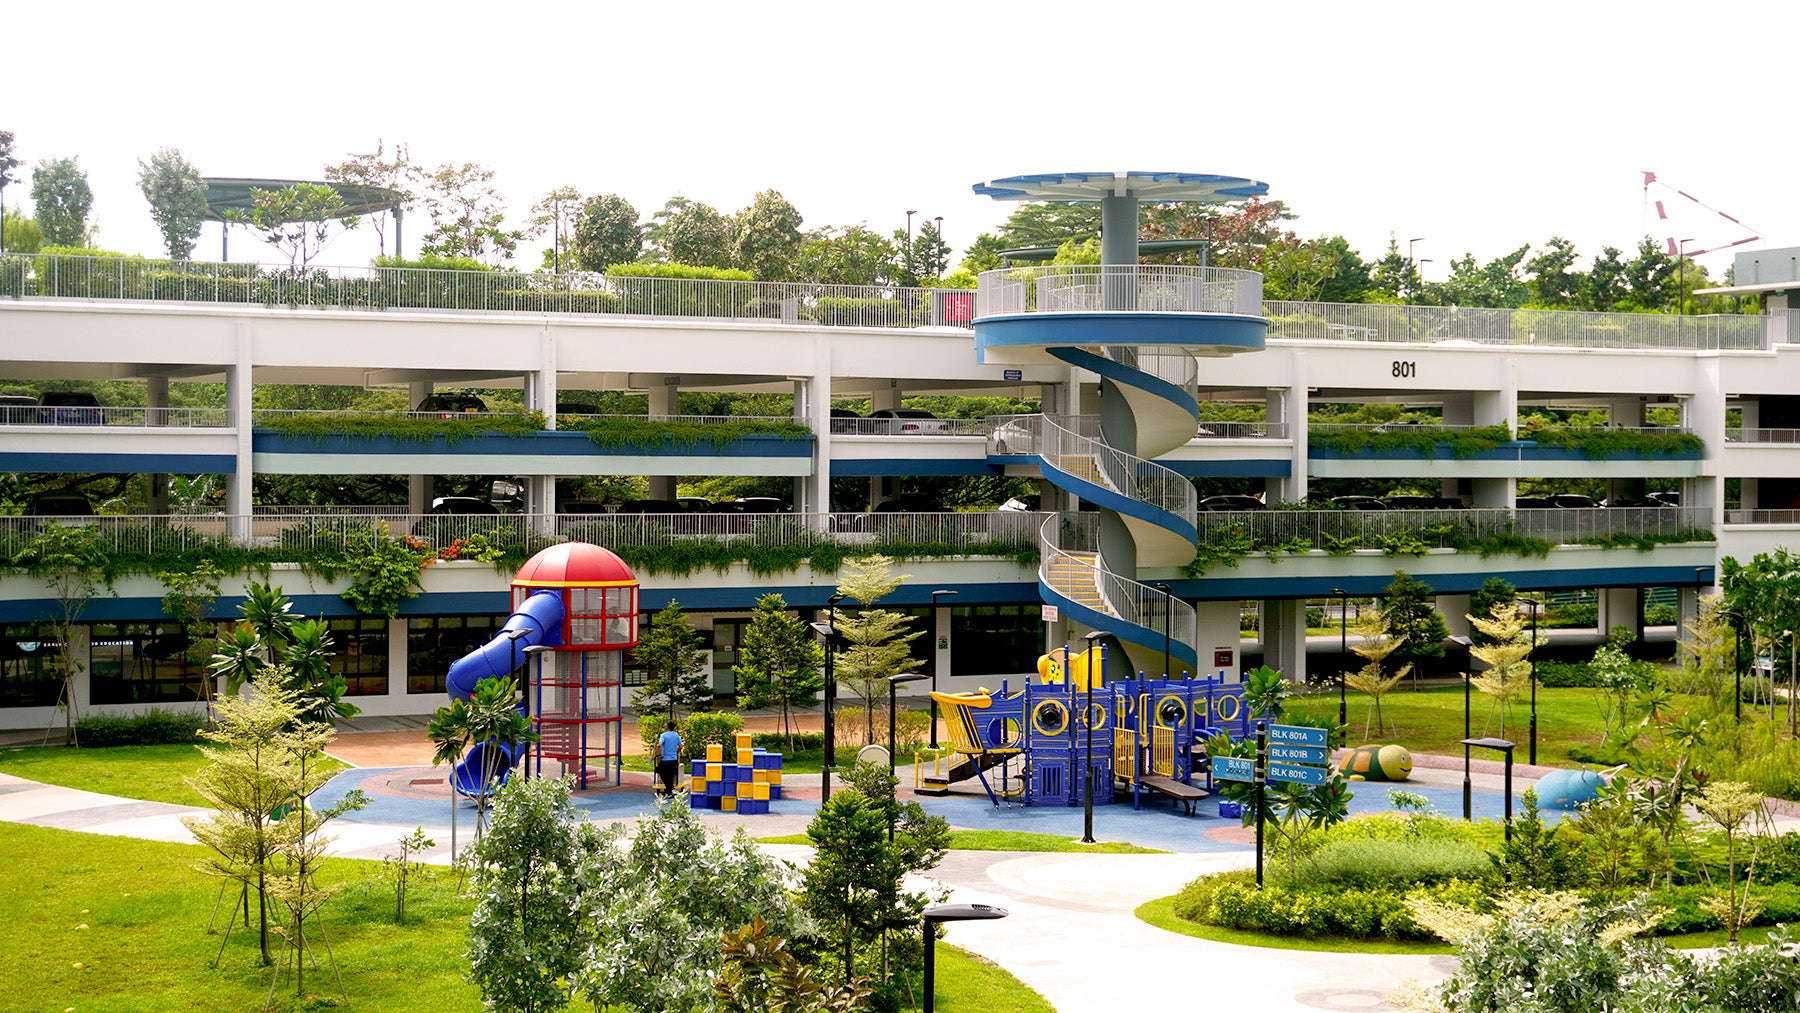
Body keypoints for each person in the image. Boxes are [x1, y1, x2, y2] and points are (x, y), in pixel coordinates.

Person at [656, 720, 682, 798]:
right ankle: (670, 791)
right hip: (673, 759)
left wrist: (660, 754)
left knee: (663, 775)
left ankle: (669, 790)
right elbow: (681, 746)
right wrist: (677, 752)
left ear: (667, 726)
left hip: (665, 759)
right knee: (671, 776)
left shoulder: (663, 735)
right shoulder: (676, 735)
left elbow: (659, 745)